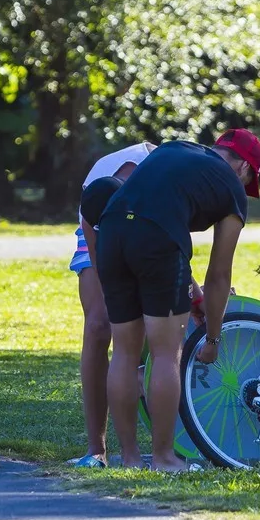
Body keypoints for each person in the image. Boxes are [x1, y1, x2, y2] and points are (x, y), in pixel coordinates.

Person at [93, 128, 260, 471]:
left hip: (111, 231)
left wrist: (191, 293)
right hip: (155, 238)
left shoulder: (175, 148)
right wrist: (213, 339)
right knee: (164, 353)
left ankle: (128, 459)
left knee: (125, 353)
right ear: (245, 168)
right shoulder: (233, 189)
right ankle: (163, 458)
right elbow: (219, 274)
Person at [68, 142, 156, 467]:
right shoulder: (127, 172)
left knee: (146, 329)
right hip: (98, 227)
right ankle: (96, 450)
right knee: (99, 325)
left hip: (145, 232)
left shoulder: (174, 183)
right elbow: (94, 237)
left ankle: (150, 445)